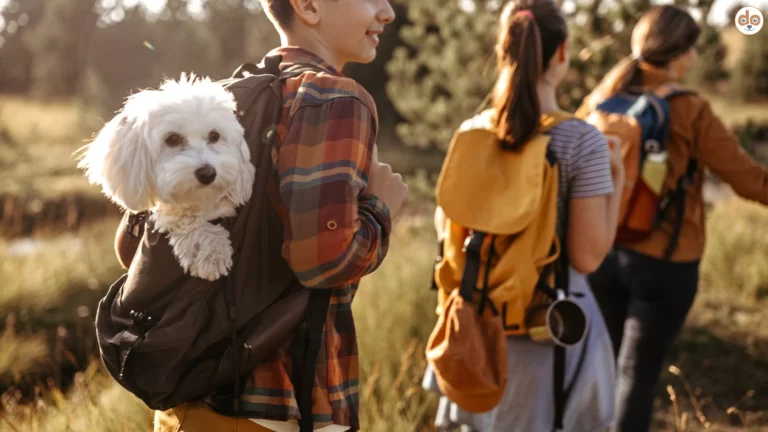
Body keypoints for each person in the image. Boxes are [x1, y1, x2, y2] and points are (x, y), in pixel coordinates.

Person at [152, 0, 406, 431]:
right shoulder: (337, 98)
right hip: (280, 407)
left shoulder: (218, 98)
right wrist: (380, 209)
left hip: (188, 399)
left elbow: (136, 243)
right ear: (308, 5)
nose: (387, 12)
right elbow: (323, 260)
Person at [423, 0, 625, 430]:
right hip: (549, 333)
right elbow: (588, 257)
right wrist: (618, 178)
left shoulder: (471, 131)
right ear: (562, 52)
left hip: (473, 331)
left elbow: (446, 226)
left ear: (503, 49)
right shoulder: (582, 142)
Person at [579, 5, 768, 432]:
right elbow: (747, 179)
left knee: (603, 369)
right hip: (665, 262)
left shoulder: (601, 97)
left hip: (600, 252)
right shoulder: (690, 109)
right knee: (636, 377)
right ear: (680, 53)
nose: (696, 58)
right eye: (693, 50)